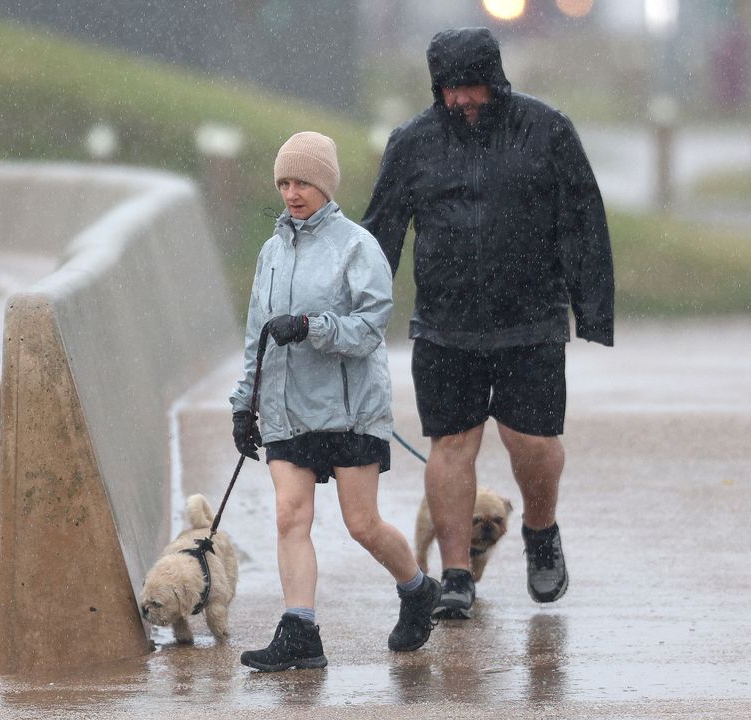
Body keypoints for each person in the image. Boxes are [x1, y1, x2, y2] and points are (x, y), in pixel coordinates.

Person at [362, 28, 614, 620]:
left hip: (531, 320)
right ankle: (455, 575)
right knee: (451, 444)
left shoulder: (547, 129)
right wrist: (357, 315)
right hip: (445, 323)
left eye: (471, 87)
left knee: (532, 440)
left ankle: (541, 529)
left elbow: (583, 218)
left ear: (494, 81)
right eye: (451, 90)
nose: (462, 100)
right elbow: (380, 234)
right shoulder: (412, 143)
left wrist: (593, 308)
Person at [231, 131, 440, 671]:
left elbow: (370, 329)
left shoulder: (357, 246)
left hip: (350, 409)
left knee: (362, 523)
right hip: (285, 408)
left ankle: (417, 589)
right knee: (288, 516)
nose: (292, 192)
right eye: (283, 182)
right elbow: (256, 332)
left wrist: (309, 326)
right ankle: (300, 631)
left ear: (325, 183)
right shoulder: (270, 252)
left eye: (302, 181)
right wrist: (242, 405)